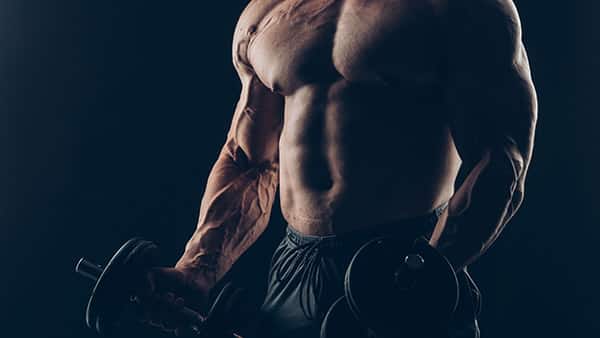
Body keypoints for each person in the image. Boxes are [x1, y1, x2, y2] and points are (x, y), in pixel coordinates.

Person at [137, 0, 537, 337]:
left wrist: (425, 274)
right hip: (295, 267)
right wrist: (198, 267)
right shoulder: (267, 13)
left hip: (408, 258)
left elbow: (502, 158)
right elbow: (249, 160)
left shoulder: (460, 8)